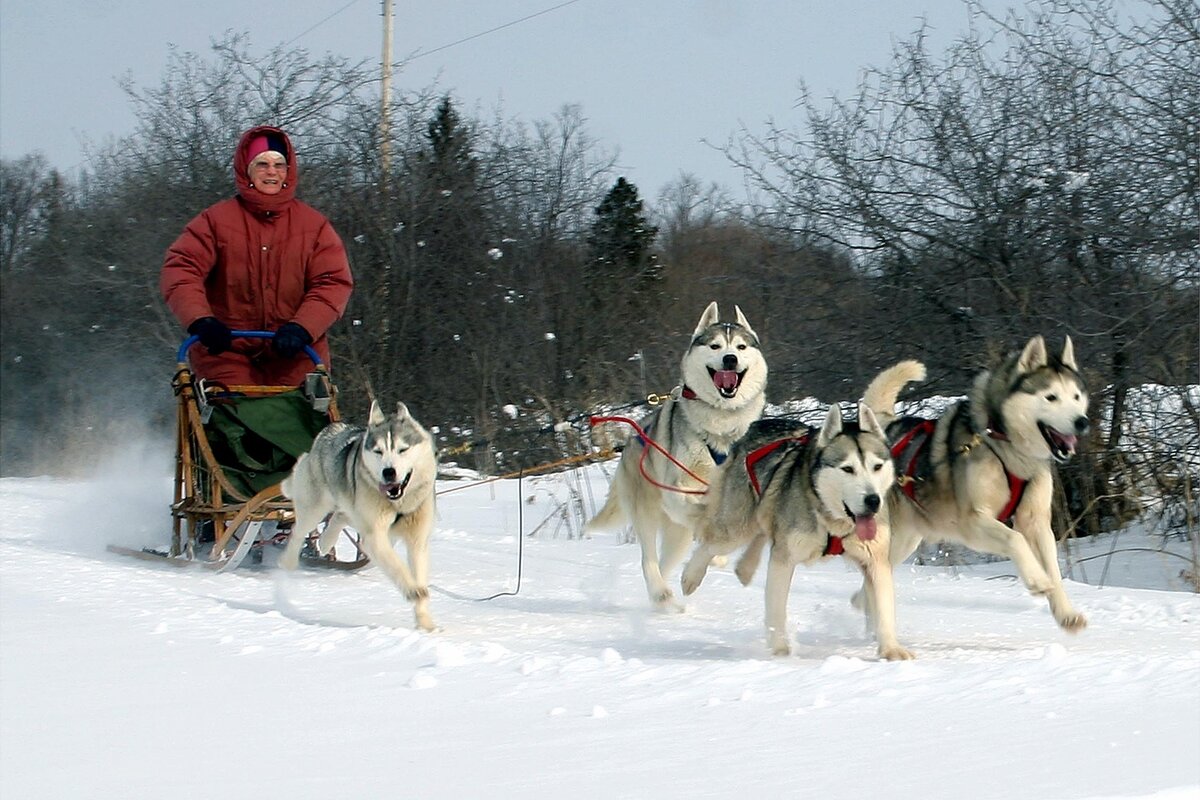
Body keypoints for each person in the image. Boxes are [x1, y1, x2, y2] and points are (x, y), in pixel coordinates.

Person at [161, 125, 353, 387]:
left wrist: (303, 328)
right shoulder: (215, 221)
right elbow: (181, 270)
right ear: (247, 170)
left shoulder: (314, 226)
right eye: (262, 164)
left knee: (299, 418)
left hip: (295, 353)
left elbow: (332, 282)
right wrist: (201, 320)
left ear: (288, 172)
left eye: (279, 164)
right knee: (232, 415)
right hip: (227, 350)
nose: (271, 171)